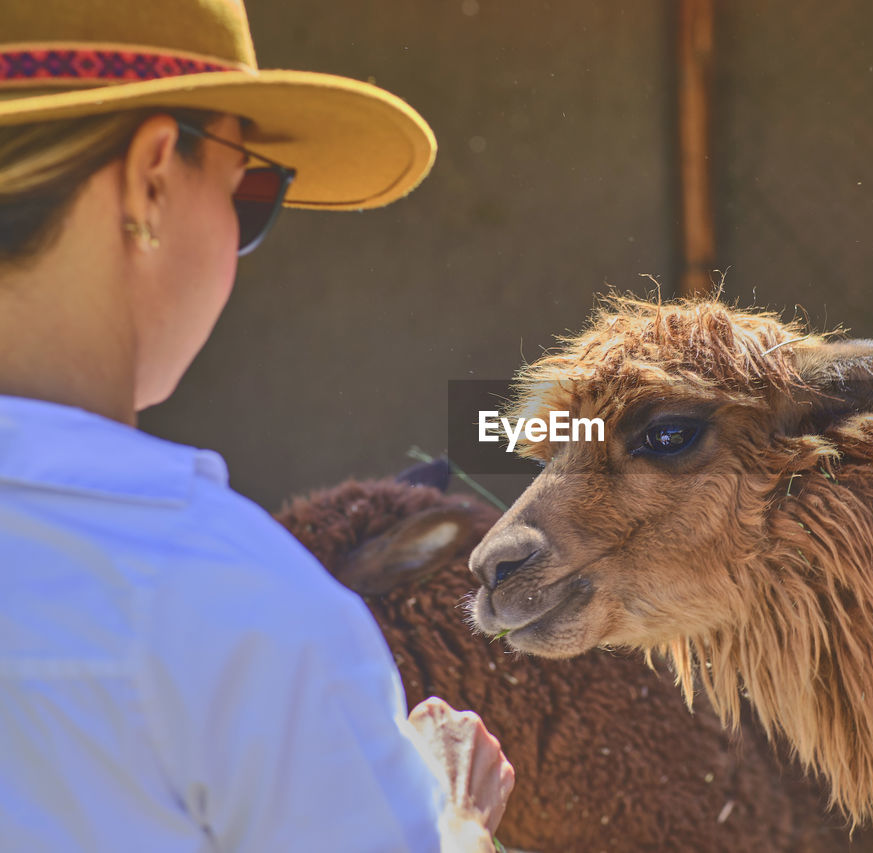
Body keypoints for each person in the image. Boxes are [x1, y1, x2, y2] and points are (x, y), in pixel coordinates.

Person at [0, 1, 515, 851]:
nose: (245, 228)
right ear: (153, 176)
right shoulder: (239, 613)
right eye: (251, 186)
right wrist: (446, 821)